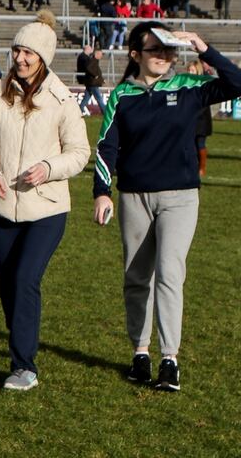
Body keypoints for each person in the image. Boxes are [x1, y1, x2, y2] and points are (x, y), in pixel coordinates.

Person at [92, 22, 241, 392]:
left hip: (181, 198)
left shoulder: (189, 87)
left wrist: (204, 49)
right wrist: (101, 191)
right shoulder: (122, 95)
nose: (164, 56)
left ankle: (169, 359)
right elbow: (106, 146)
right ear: (135, 55)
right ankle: (140, 353)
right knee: (136, 277)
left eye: (169, 49)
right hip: (134, 197)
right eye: (155, 49)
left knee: (170, 274)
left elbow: (237, 82)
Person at [0, 11, 90, 391]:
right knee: (7, 284)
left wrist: (48, 167)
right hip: (4, 207)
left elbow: (79, 151)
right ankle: (21, 335)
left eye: (28, 53)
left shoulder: (61, 99)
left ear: (44, 58)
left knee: (25, 279)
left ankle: (24, 366)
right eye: (16, 50)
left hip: (47, 209)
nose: (20, 59)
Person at [79, 48, 105, 115]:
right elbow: (88, 68)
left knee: (86, 99)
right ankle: (105, 112)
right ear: (96, 54)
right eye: (101, 54)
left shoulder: (94, 61)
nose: (101, 56)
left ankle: (79, 111)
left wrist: (102, 79)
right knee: (99, 99)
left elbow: (96, 71)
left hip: (90, 83)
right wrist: (95, 75)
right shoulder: (93, 60)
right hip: (93, 84)